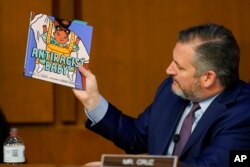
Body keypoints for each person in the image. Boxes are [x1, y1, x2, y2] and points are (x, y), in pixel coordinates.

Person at [72, 23, 250, 166]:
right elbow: (135, 137)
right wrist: (92, 100)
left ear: (208, 78)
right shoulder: (171, 90)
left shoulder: (243, 114)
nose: (168, 70)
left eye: (179, 67)